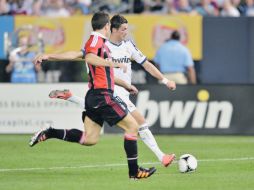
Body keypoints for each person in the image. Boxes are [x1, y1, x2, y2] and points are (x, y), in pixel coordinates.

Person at [30, 11, 156, 180]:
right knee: (133, 127)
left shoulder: (99, 43)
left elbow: (77, 55)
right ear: (107, 26)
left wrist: (49, 56)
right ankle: (134, 172)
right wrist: (114, 63)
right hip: (102, 95)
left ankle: (51, 132)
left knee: (90, 139)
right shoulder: (96, 40)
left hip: (95, 96)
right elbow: (89, 58)